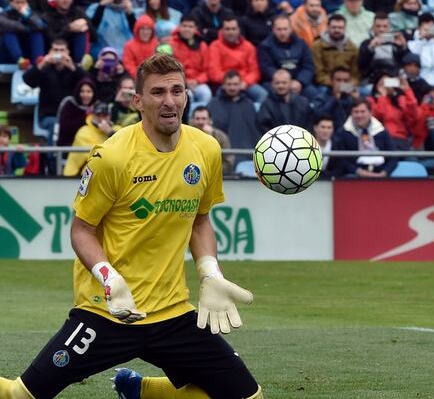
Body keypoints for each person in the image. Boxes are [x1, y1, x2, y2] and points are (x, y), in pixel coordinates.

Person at [2, 53, 263, 398]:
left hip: (172, 312)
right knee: (22, 395)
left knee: (248, 396)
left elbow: (200, 221)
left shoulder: (206, 149)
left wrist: (210, 273)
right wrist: (109, 277)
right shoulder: (111, 156)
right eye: (158, 92)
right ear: (138, 101)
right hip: (108, 310)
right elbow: (81, 230)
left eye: (177, 91)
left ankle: (139, 389)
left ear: (187, 96)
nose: (169, 101)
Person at [207, 16, 266, 103]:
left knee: (262, 94)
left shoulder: (249, 47)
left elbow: (255, 71)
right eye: (227, 29)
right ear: (222, 30)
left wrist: (245, 82)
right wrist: (231, 83)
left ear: (239, 30)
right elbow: (214, 72)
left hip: (245, 83)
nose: (231, 32)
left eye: (233, 29)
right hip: (224, 84)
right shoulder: (215, 46)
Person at [334, 98, 398, 177]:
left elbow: (393, 156)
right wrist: (358, 171)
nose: (359, 115)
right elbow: (341, 159)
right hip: (354, 175)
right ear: (351, 113)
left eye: (362, 111)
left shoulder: (381, 131)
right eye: (356, 112)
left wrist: (384, 173)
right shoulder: (343, 132)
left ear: (370, 113)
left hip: (381, 174)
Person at [206, 69, 262, 150]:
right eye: (229, 84)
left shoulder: (249, 105)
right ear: (223, 85)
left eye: (235, 84)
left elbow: (254, 132)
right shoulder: (213, 104)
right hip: (221, 152)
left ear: (240, 85)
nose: (232, 87)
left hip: (246, 152)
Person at [63, 100, 116, 176]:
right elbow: (95, 155)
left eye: (105, 115)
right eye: (98, 115)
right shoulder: (84, 131)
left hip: (110, 174)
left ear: (110, 116)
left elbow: (124, 150)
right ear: (93, 115)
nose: (102, 118)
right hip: (80, 176)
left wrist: (110, 133)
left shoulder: (117, 130)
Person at [313, 13, 360, 87]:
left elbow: (355, 74)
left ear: (345, 29)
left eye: (340, 28)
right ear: (328, 27)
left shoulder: (352, 48)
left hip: (346, 85)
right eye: (334, 27)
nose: (337, 30)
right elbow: (319, 73)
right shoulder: (317, 46)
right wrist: (336, 85)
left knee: (364, 92)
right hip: (325, 84)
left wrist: (347, 86)